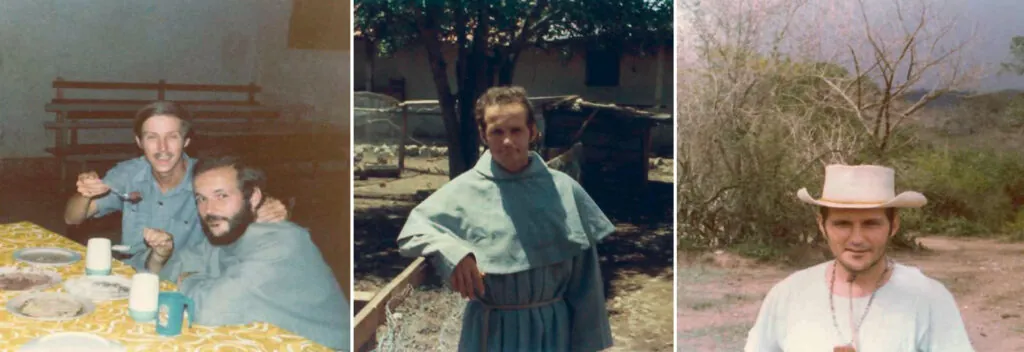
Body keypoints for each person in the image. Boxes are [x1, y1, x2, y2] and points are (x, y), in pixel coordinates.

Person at [396, 86, 615, 352]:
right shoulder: (463, 190)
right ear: (483, 135)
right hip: (491, 332)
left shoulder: (565, 190)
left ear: (532, 131)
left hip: (552, 332)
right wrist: (454, 252)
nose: (507, 141)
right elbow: (413, 231)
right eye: (497, 132)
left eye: (516, 130)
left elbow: (586, 283)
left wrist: (589, 345)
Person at [744, 164, 975, 352]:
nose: (857, 239)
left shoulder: (929, 298)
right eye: (842, 224)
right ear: (822, 226)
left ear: (893, 225)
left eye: (871, 224)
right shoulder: (788, 294)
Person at [142, 155, 349, 350]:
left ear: (253, 197)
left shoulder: (283, 243)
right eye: (201, 199)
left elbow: (211, 311)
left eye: (221, 196)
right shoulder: (225, 234)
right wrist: (163, 259)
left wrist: (187, 279)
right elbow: (167, 276)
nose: (209, 210)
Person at [63, 101, 289, 271]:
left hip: (188, 280)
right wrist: (85, 193)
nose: (162, 148)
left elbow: (249, 204)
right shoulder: (128, 174)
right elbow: (71, 218)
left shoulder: (207, 179)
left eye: (172, 137)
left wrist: (269, 207)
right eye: (152, 137)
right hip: (133, 276)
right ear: (139, 142)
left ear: (186, 141)